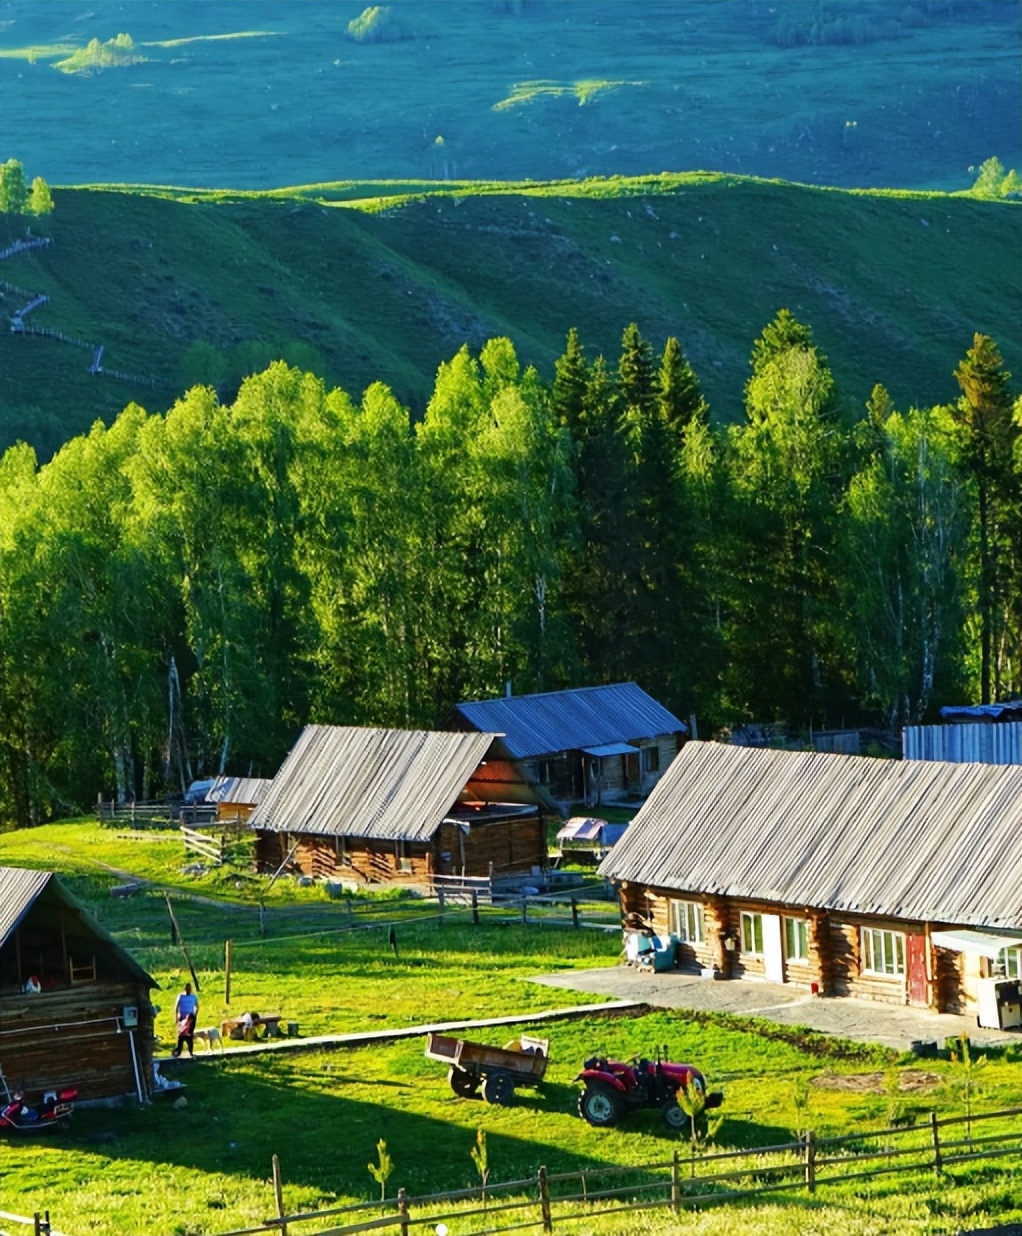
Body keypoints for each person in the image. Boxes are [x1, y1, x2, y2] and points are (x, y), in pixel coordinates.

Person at [172, 982, 198, 1057]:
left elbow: (197, 1007)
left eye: (189, 988)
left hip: (190, 1018)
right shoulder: (181, 996)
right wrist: (176, 1017)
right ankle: (178, 1051)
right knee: (181, 1035)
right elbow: (176, 1007)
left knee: (189, 1034)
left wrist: (194, 1015)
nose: (188, 990)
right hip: (182, 1017)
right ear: (184, 989)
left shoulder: (193, 997)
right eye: (187, 988)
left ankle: (190, 1051)